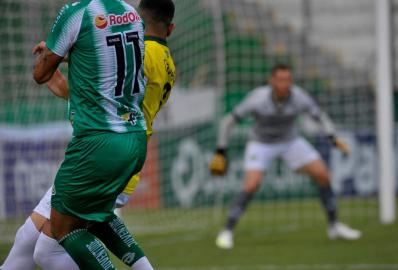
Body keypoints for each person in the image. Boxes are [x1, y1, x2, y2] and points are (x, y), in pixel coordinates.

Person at [0, 0, 176, 269]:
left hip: (102, 148)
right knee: (63, 232)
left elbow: (101, 67)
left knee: (46, 244)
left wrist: (60, 50)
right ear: (171, 28)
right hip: (128, 145)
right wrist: (71, 53)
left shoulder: (145, 51)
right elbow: (102, 68)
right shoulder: (160, 56)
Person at [209, 64, 362, 250]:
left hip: (290, 141)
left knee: (323, 174)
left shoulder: (299, 97)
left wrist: (333, 137)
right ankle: (227, 231)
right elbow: (228, 121)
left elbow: (320, 116)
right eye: (281, 79)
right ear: (271, 81)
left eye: (288, 79)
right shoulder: (257, 98)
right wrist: (220, 150)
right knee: (251, 184)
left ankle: (334, 225)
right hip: (261, 143)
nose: (285, 84)